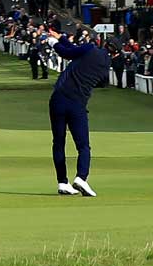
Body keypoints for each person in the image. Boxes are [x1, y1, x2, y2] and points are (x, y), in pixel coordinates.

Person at [47, 28, 110, 196]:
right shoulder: (104, 67)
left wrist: (52, 42)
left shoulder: (89, 49)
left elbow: (68, 53)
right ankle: (81, 177)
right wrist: (61, 38)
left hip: (58, 99)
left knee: (58, 142)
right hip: (77, 104)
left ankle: (62, 182)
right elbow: (74, 50)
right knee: (83, 146)